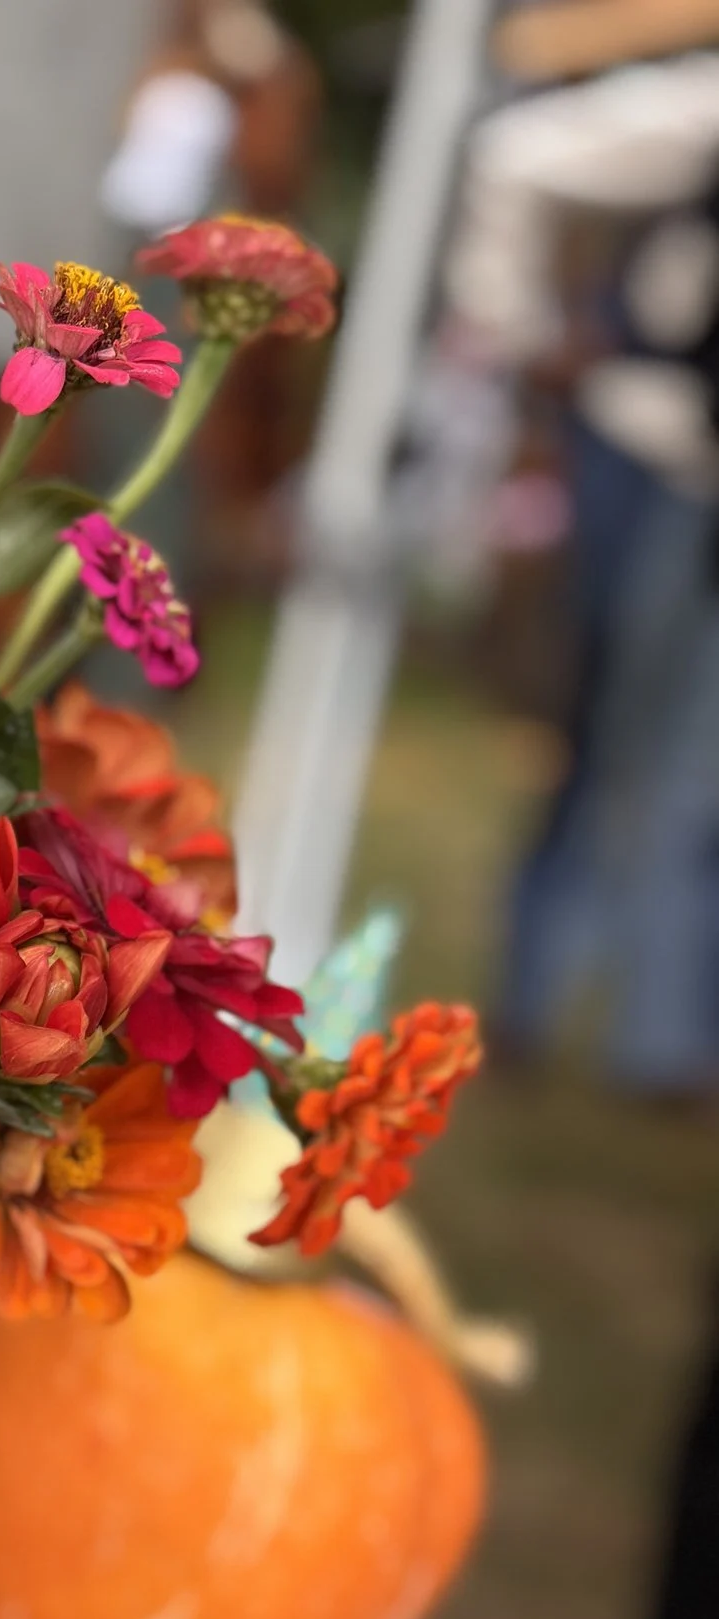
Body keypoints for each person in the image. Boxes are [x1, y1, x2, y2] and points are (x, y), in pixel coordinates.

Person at [447, 2, 719, 1091]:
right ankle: (534, 995)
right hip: (659, 460)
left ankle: (663, 1035)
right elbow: (517, 156)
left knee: (696, 764)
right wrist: (518, 332)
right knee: (600, 734)